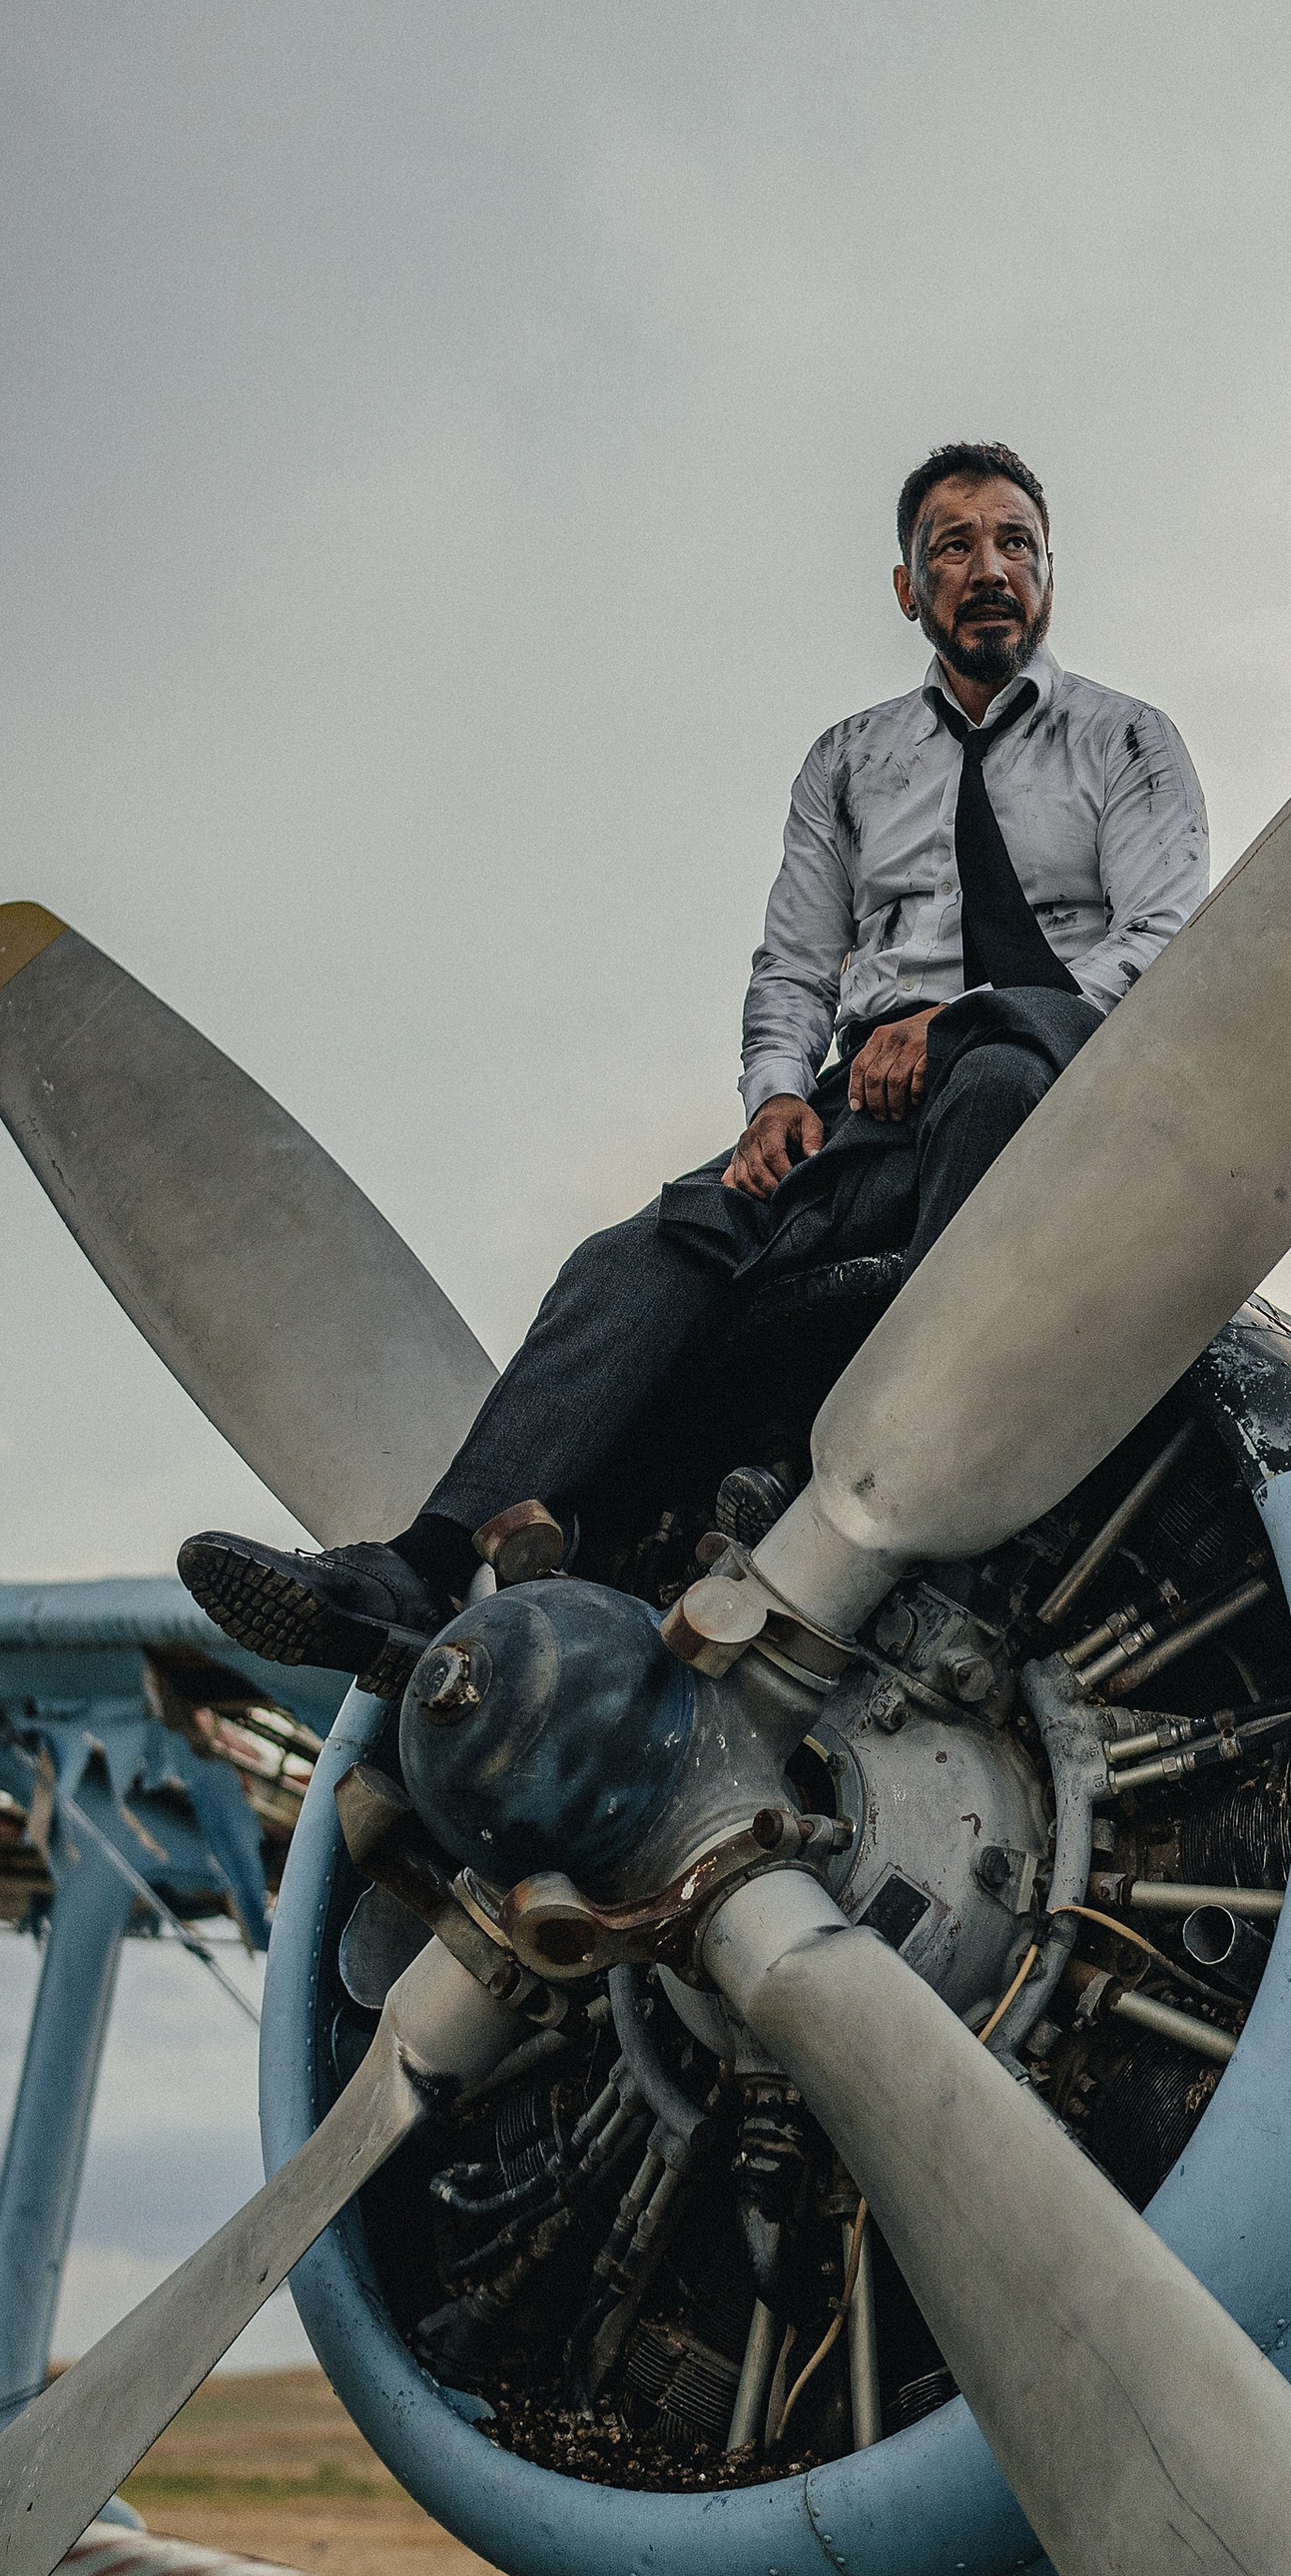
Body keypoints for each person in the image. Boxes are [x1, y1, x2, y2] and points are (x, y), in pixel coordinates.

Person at [180, 442, 1209, 1683]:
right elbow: (793, 965)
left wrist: (961, 1022)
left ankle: (955, 1545)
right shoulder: (846, 762)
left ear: (1048, 573)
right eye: (953, 546)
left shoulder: (1129, 742)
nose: (987, 568)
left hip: (1044, 1099)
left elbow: (1163, 951)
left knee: (995, 1078)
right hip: (864, 1117)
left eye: (1014, 544)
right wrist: (777, 1094)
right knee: (639, 1255)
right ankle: (413, 1573)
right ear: (906, 587)